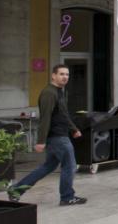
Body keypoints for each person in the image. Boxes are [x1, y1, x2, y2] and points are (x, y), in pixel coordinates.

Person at [8, 64, 87, 205]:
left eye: (67, 74)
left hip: (60, 134)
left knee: (48, 166)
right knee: (70, 166)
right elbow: (46, 117)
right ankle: (67, 197)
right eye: (62, 74)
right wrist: (41, 140)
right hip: (57, 137)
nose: (65, 77)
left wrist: (74, 129)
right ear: (53, 75)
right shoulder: (49, 93)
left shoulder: (58, 92)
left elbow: (63, 114)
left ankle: (17, 190)